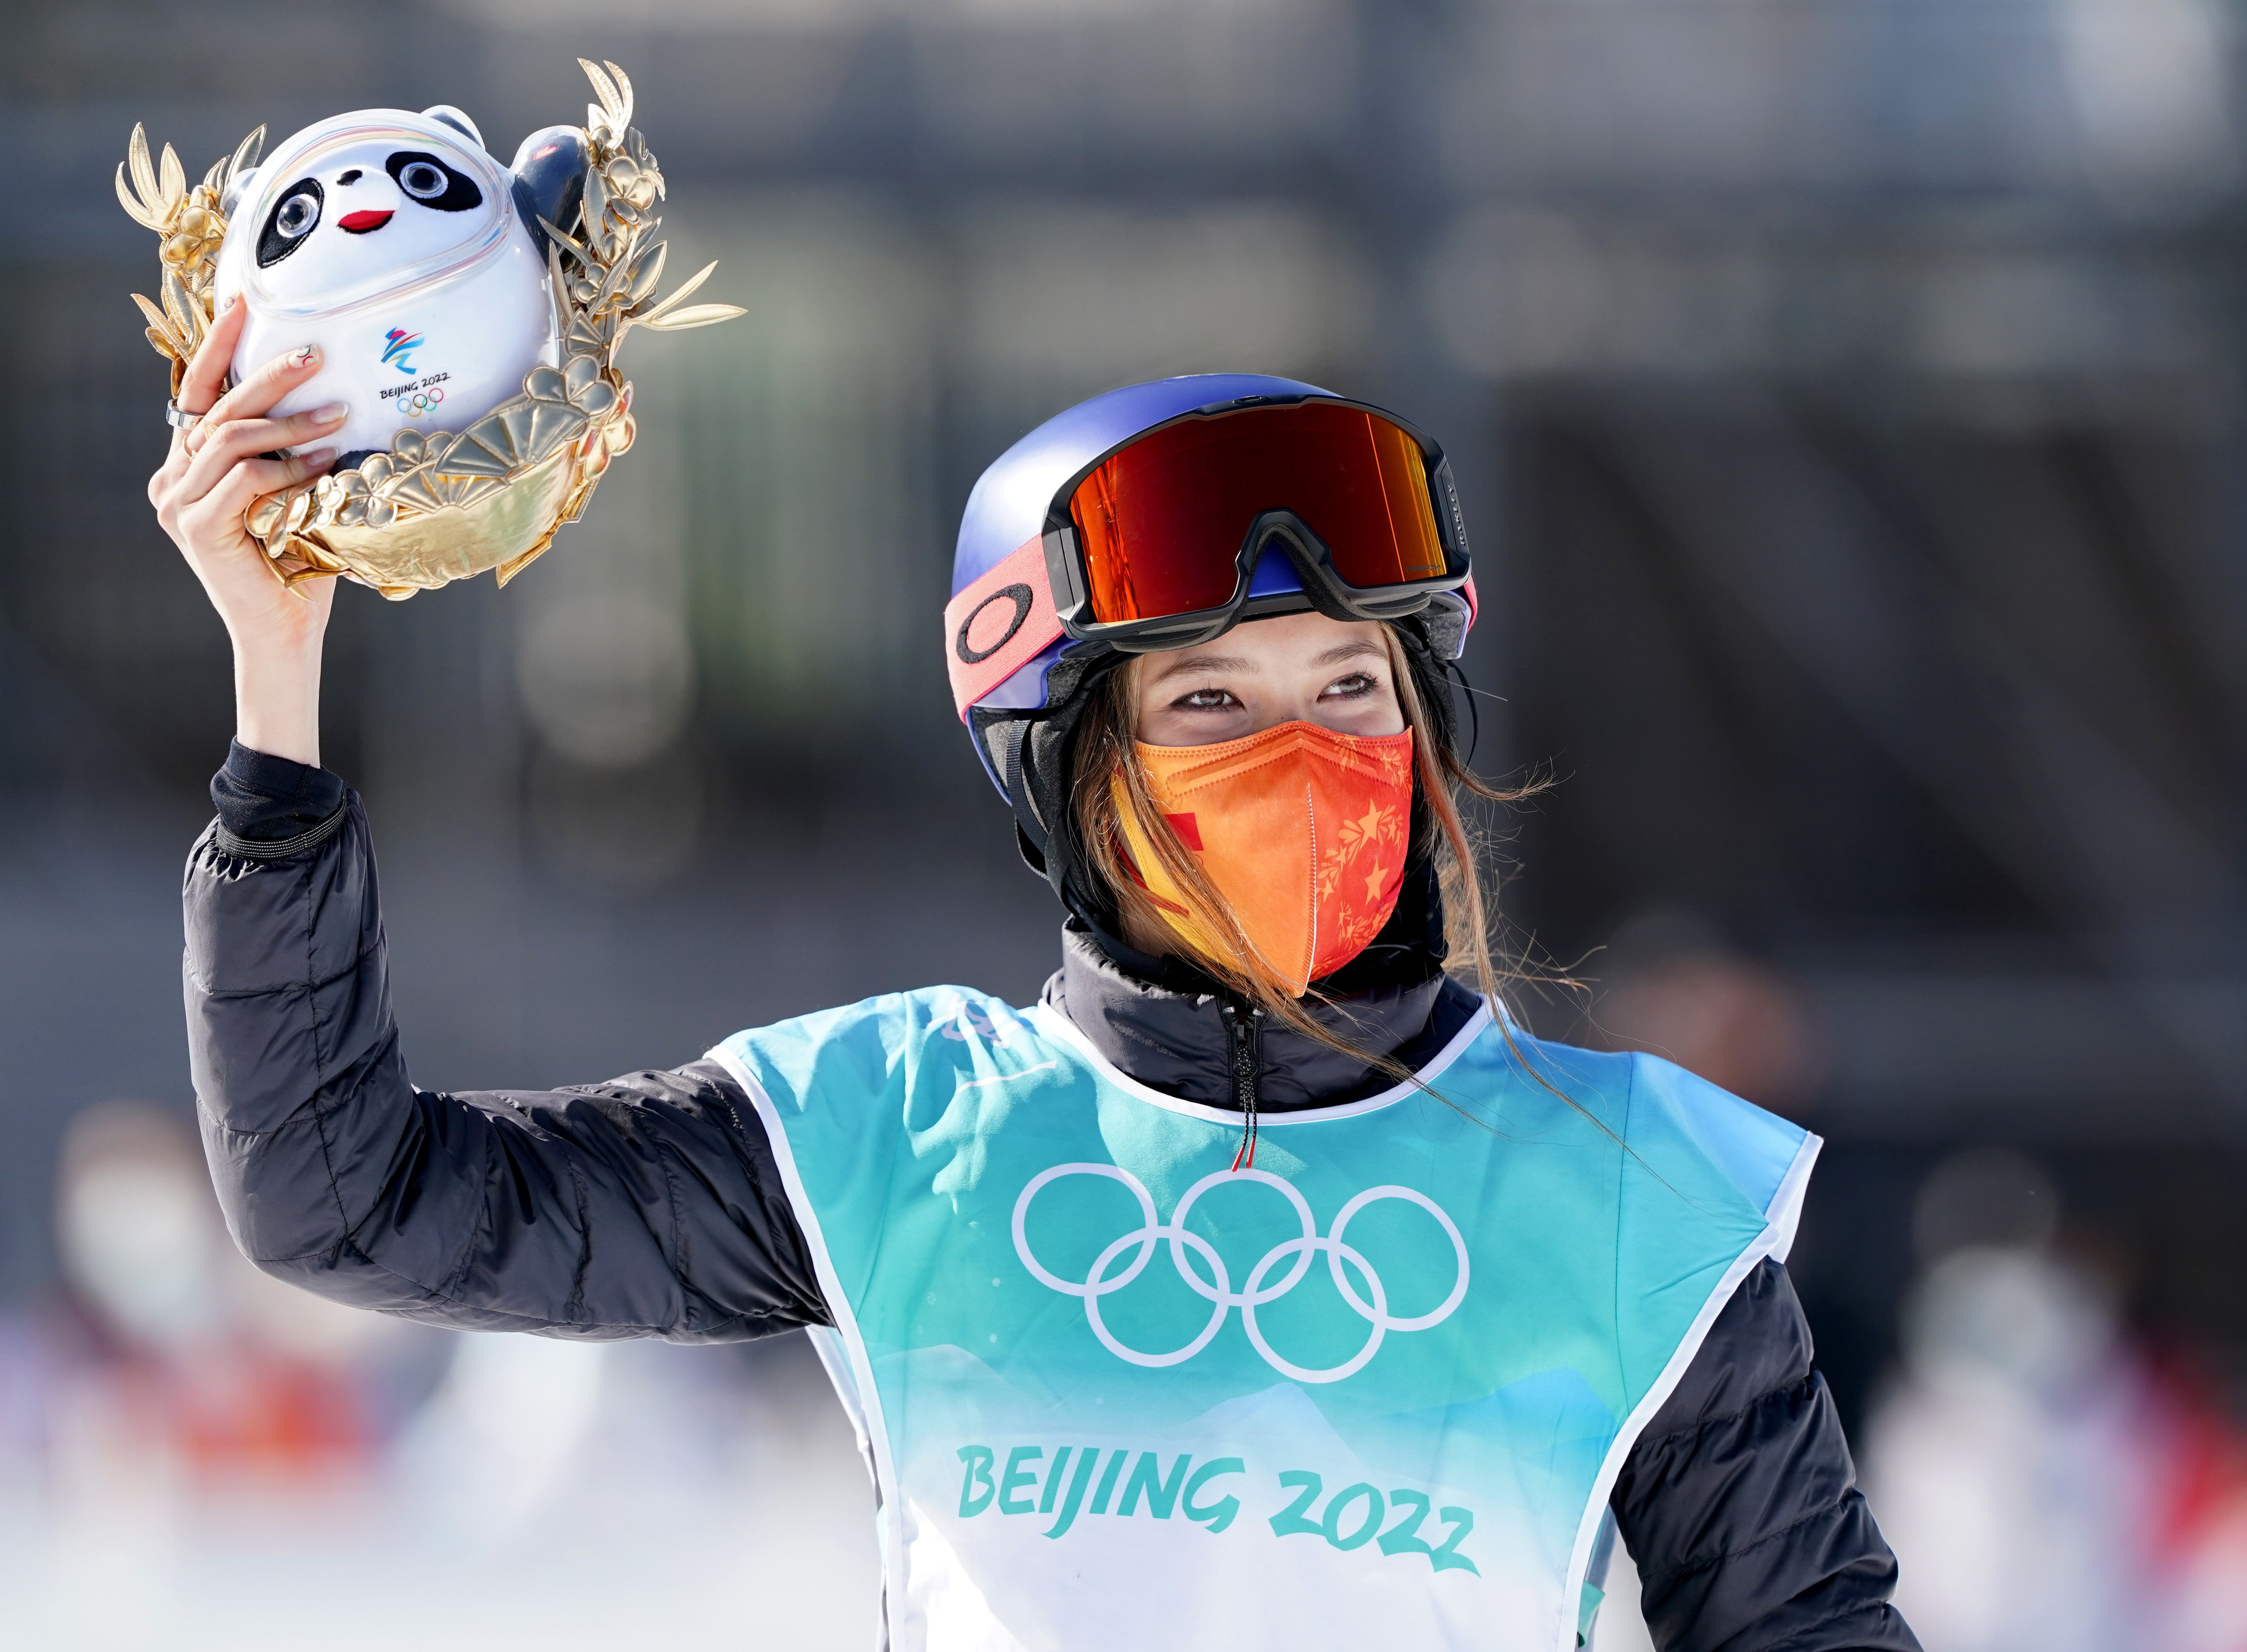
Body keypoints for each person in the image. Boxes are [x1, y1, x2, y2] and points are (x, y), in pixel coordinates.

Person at [151, 298, 1918, 1652]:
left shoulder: (1628, 1191)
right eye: (1210, 702)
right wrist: (275, 691)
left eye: (1351, 690)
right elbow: (346, 1197)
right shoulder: (892, 1133)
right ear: (1074, 775)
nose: (1298, 749)